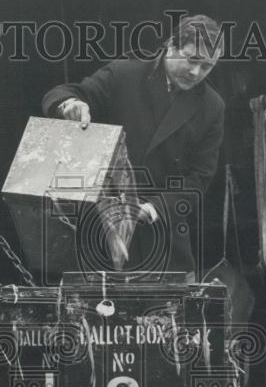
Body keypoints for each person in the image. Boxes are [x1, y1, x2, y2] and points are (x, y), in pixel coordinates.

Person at [42, 14, 225, 277]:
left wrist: (151, 209)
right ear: (170, 45)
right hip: (101, 236)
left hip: (165, 242)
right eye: (191, 59)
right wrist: (71, 105)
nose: (195, 72)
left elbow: (199, 178)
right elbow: (64, 93)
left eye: (206, 66)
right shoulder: (124, 74)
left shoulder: (212, 106)